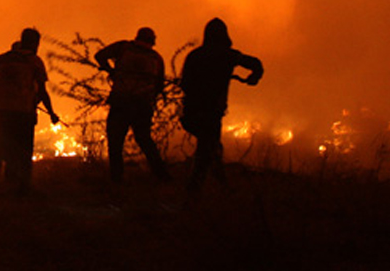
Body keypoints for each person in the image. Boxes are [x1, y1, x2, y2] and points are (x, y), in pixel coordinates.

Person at [180, 18, 263, 199]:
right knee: (207, 150)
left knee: (211, 147)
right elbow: (256, 64)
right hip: (210, 113)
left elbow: (184, 84)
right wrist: (253, 78)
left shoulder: (195, 55)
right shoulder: (228, 55)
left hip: (191, 112)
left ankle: (221, 185)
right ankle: (195, 192)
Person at [0, 28, 59, 196]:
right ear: (34, 43)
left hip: (2, 111)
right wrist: (51, 113)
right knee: (24, 151)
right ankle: (24, 188)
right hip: (23, 112)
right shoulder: (34, 61)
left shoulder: (5, 58)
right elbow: (42, 91)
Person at [94, 27, 173, 184]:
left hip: (121, 102)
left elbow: (100, 55)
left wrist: (111, 71)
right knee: (145, 140)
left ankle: (117, 181)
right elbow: (159, 86)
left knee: (115, 143)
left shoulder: (123, 47)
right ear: (152, 41)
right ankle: (163, 176)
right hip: (142, 105)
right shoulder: (156, 59)